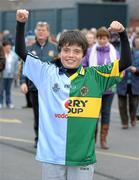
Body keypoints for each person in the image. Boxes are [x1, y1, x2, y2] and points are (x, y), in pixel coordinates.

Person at [15, 9, 131, 180]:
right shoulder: (46, 73)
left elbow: (126, 62)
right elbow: (21, 51)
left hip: (82, 157)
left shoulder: (96, 77)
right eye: (67, 50)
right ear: (59, 51)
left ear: (83, 55)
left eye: (76, 51)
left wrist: (122, 34)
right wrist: (20, 23)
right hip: (52, 156)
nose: (71, 55)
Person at [20, 19, 58, 148]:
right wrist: (22, 82)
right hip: (35, 88)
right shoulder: (30, 48)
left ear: (48, 33)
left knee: (51, 114)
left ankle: (50, 138)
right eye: (39, 30)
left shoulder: (54, 48)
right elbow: (24, 67)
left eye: (43, 30)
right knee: (38, 114)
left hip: (52, 89)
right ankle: (38, 138)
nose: (41, 32)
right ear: (36, 32)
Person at [82, 26, 120, 149]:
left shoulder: (115, 52)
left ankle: (103, 140)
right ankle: (92, 140)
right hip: (94, 88)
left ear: (108, 38)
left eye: (104, 38)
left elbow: (119, 68)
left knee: (106, 113)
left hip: (109, 89)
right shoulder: (90, 51)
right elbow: (84, 65)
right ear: (96, 38)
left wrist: (117, 78)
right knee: (93, 114)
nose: (102, 40)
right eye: (99, 38)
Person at [117, 35, 139, 129]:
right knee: (122, 104)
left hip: (135, 82)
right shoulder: (126, 52)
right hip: (123, 81)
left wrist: (137, 69)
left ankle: (133, 118)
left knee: (133, 103)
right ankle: (124, 122)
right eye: (137, 42)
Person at [0, 41, 18, 109]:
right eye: (7, 47)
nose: (8, 48)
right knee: (1, 89)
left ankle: (9, 102)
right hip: (2, 75)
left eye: (9, 47)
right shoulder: (2, 54)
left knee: (8, 90)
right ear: (4, 47)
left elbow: (16, 65)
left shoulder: (14, 55)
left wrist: (15, 74)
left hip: (10, 75)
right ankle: (1, 102)